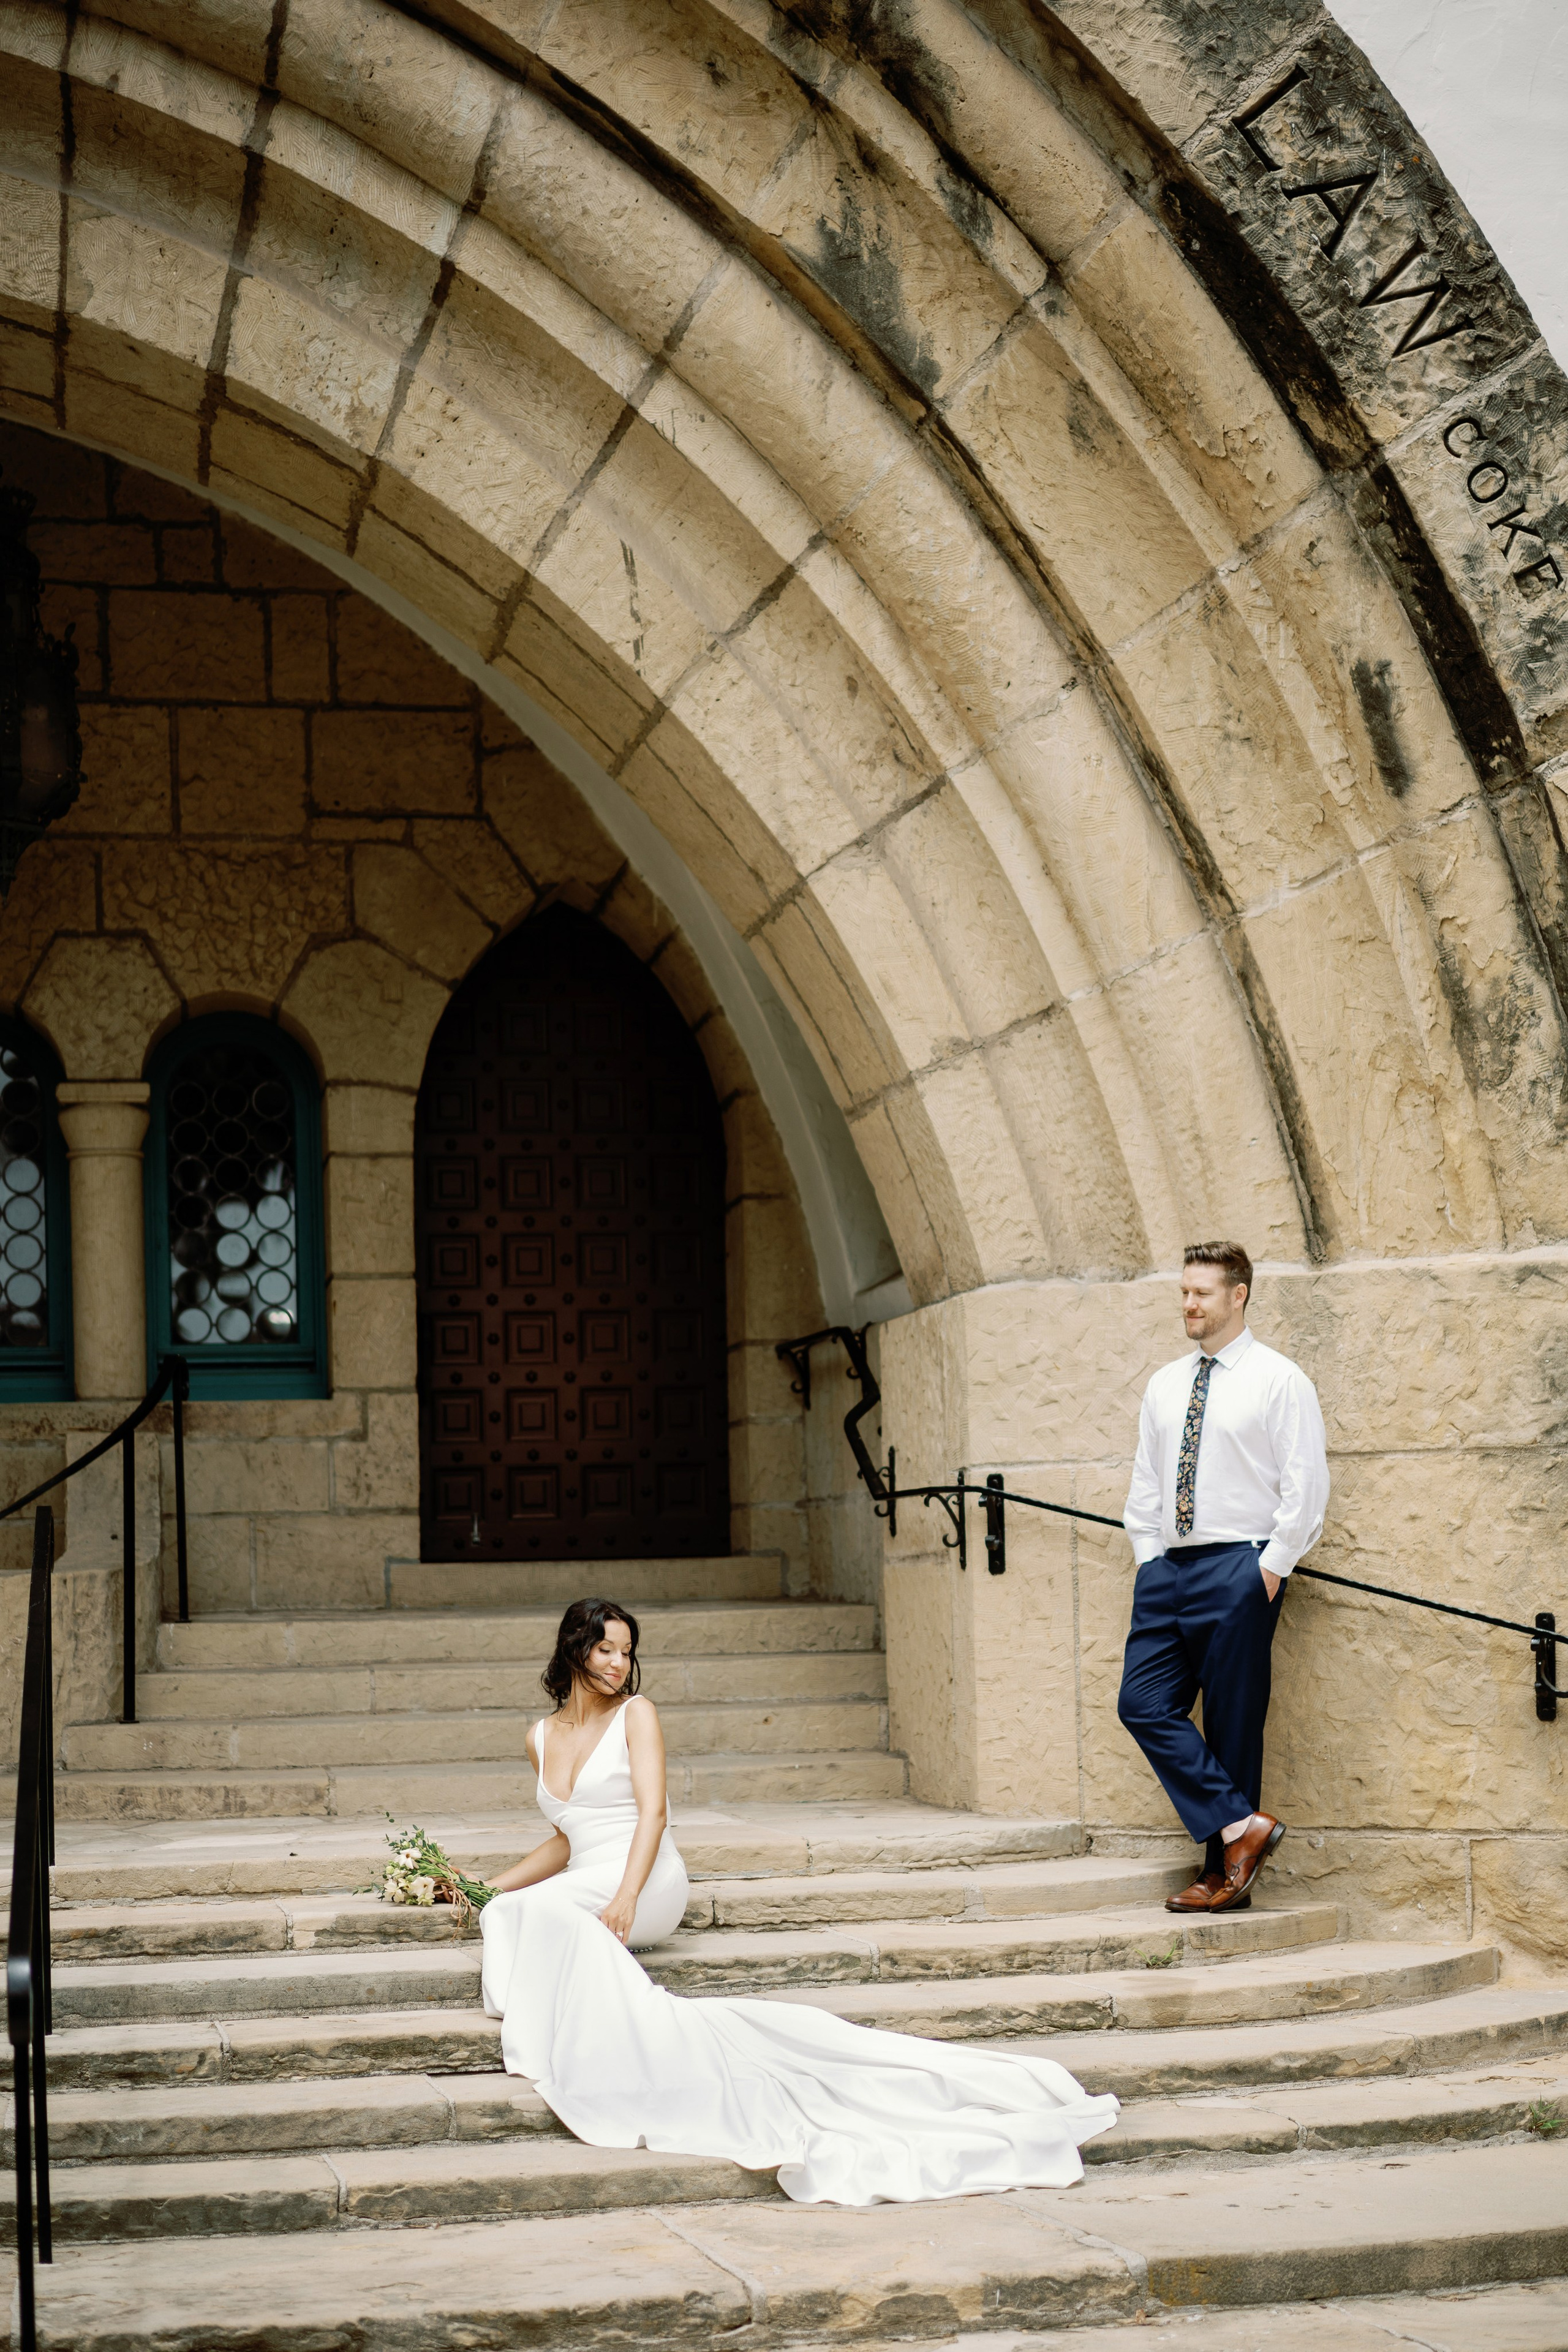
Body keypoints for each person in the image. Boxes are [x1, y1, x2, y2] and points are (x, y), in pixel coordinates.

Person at [479, 1595, 1118, 2206]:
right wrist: (485, 1886)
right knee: (505, 1910)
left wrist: (626, 1896)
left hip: (645, 1877)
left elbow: (652, 1815)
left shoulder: (636, 1714)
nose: (619, 1664)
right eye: (605, 1650)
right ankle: (544, 2022)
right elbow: (566, 1840)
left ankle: (571, 2044)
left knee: (546, 1914)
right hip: (588, 1872)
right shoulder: (539, 1736)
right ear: (574, 1651)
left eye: (626, 1651)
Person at [1118, 1243, 1329, 1916]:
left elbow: (1306, 1485)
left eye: (1202, 1293)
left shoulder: (1278, 1379)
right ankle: (1243, 1829)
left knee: (1233, 1725)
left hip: (1241, 1565)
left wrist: (1267, 1569)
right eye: (1184, 1292)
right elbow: (1148, 1479)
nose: (1188, 1304)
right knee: (1142, 1703)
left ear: (1238, 1295)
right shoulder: (1165, 1382)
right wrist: (1148, 1554)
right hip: (1167, 1570)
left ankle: (1222, 1878)